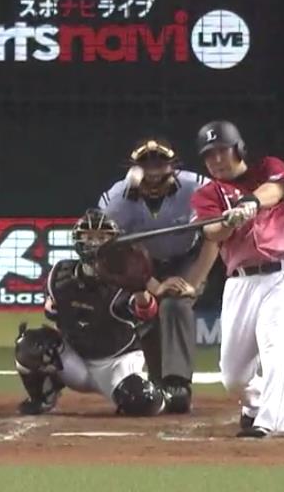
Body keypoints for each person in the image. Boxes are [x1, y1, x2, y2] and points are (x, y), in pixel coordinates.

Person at [189, 121, 284, 438]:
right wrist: (228, 222)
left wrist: (250, 203)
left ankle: (271, 421)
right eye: (209, 155)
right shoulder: (207, 194)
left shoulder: (268, 168)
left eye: (222, 151)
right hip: (241, 282)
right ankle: (256, 404)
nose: (216, 159)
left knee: (276, 349)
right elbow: (211, 231)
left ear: (238, 149)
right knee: (233, 376)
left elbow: (277, 189)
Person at [97, 136, 217, 413]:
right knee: (144, 311)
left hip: (187, 259)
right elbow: (112, 251)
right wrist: (152, 285)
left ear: (173, 165)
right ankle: (155, 381)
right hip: (137, 265)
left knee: (175, 304)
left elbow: (213, 238)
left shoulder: (198, 187)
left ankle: (177, 385)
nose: (153, 171)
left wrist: (192, 283)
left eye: (160, 163)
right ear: (133, 167)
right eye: (145, 164)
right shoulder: (116, 199)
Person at [14, 208, 170, 416]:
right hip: (75, 361)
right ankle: (43, 397)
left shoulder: (125, 277)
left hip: (116, 363)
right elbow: (52, 313)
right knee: (29, 345)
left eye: (102, 237)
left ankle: (162, 394)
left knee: (145, 402)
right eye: (89, 237)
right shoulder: (61, 273)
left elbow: (147, 313)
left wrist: (139, 288)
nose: (95, 243)